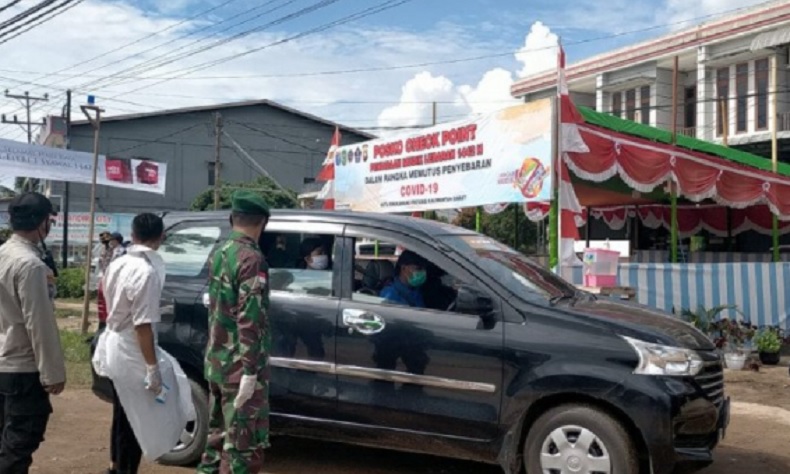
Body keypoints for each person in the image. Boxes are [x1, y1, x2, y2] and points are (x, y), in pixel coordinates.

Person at [93, 213, 194, 474]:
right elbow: (143, 325)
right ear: (161, 237)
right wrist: (152, 367)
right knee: (136, 419)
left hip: (115, 343)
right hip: (131, 350)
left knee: (122, 413)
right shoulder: (145, 271)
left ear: (133, 234)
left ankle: (114, 467)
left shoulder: (118, 262)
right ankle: (125, 469)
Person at [197, 190, 272, 474]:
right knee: (243, 449)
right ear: (263, 222)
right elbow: (249, 318)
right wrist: (250, 372)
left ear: (232, 218)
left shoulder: (220, 253)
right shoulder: (251, 259)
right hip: (240, 368)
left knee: (216, 441)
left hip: (217, 361)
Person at [0, 192, 66, 473]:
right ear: (43, 223)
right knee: (18, 445)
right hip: (23, 370)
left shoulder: (4, 255)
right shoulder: (30, 265)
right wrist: (53, 374)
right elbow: (39, 323)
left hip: (3, 362)